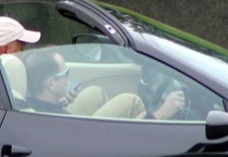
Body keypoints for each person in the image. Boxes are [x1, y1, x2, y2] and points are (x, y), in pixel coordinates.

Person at [24, 49, 152, 120]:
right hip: (76, 136)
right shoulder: (62, 120)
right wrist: (155, 117)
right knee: (131, 102)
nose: (69, 78)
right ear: (52, 84)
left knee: (95, 93)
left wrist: (60, 102)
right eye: (65, 73)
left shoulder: (32, 103)